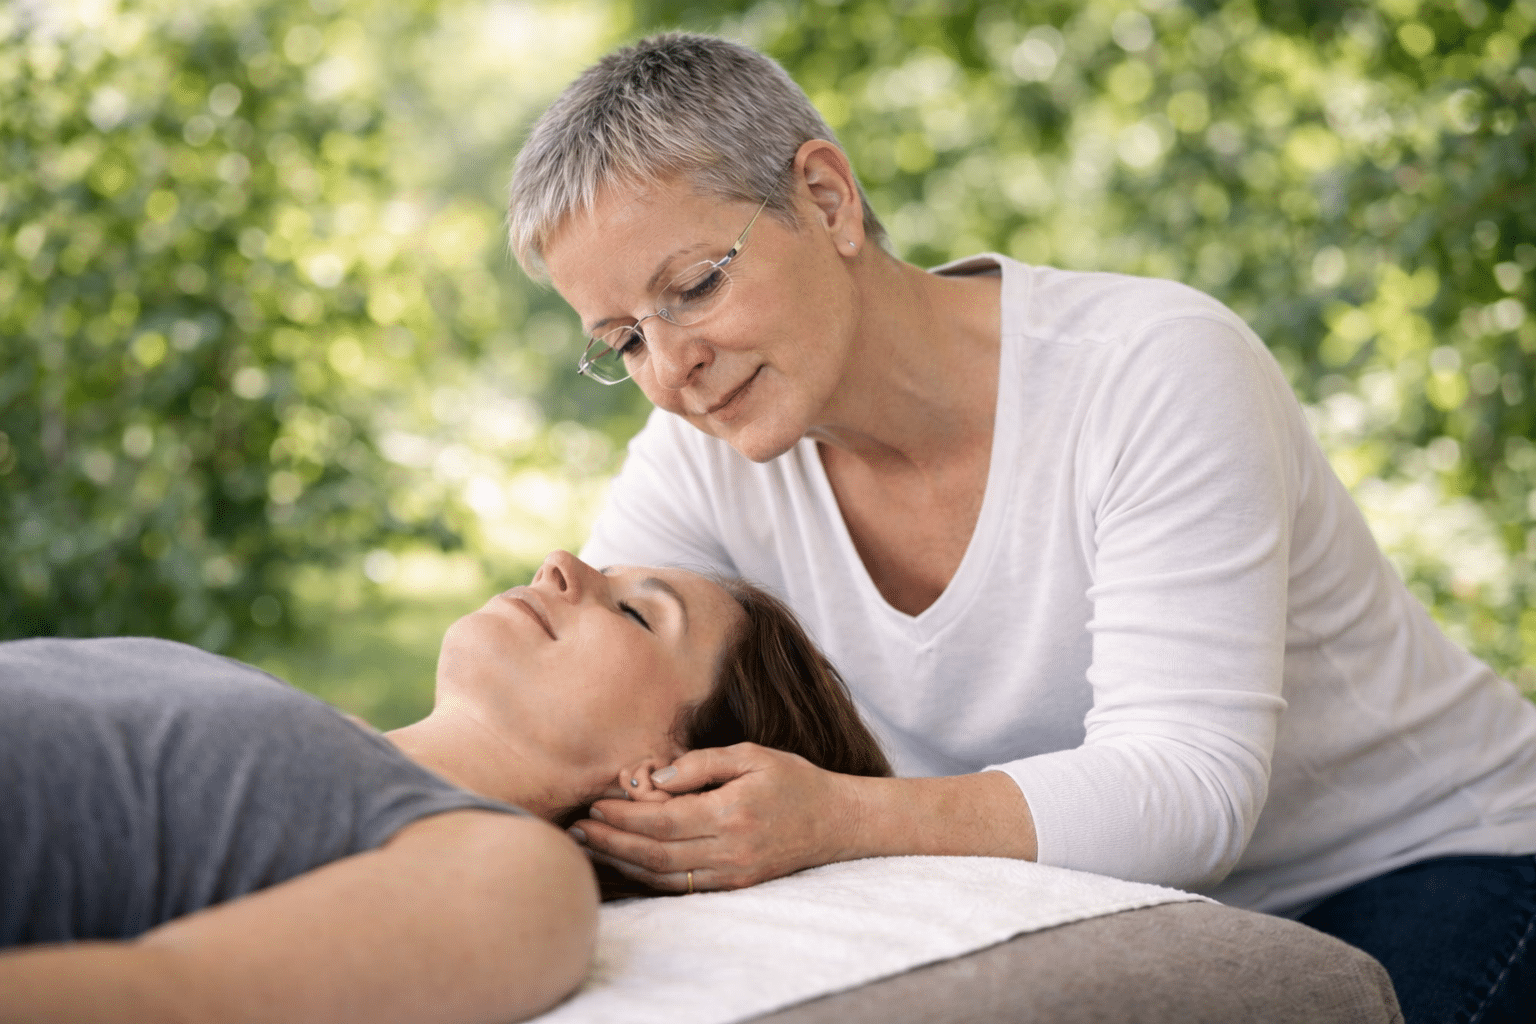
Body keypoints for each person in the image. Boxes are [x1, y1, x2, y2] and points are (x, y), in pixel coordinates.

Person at [506, 31, 1536, 1023]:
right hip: (1116, 909)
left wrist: (835, 821)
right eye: (623, 339)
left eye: (694, 287)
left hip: (1432, 858)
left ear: (826, 199)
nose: (670, 367)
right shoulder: (705, 450)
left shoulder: (1149, 371)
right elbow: (582, 705)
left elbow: (1190, 790)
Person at [0, 549, 890, 1024]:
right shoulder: (319, 735)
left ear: (674, 783)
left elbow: (167, 1003)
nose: (561, 564)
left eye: (632, 612)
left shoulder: (509, 876)